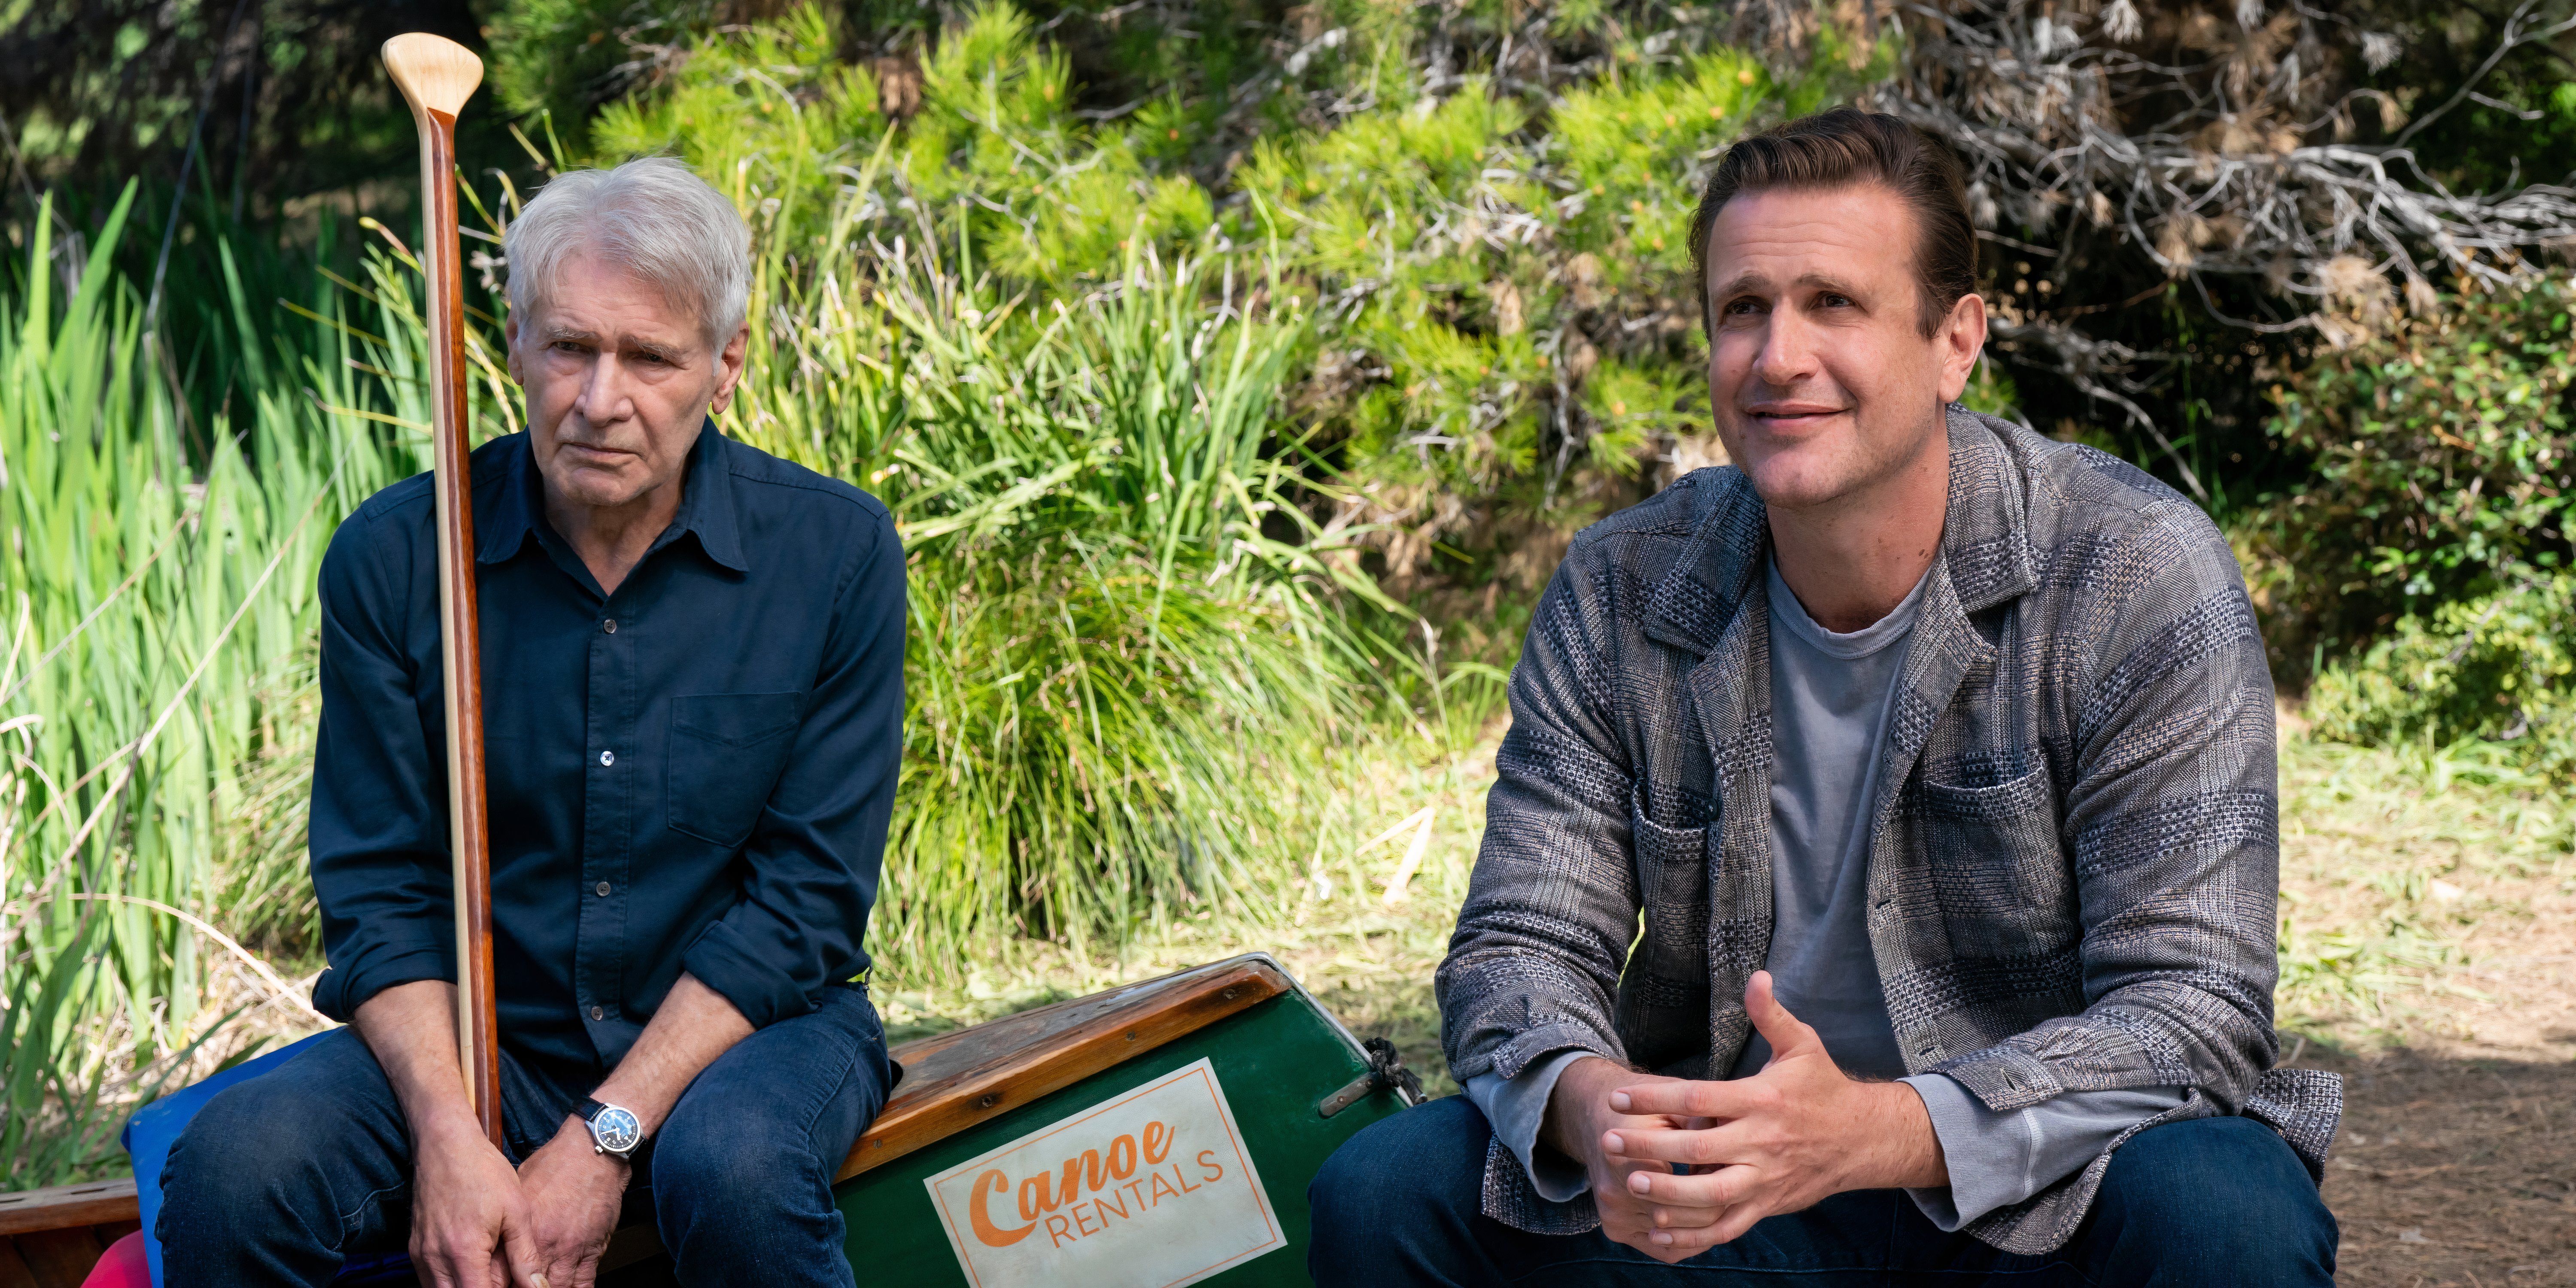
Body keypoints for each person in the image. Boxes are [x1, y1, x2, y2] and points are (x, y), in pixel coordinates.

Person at [1308, 109, 2342, 1285]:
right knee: (1387, 1190)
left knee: (2228, 1217)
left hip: (2040, 1194)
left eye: (1832, 304)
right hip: (1729, 1196)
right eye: (1743, 308)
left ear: (1956, 344)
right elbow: (1519, 945)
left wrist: (1876, 1133)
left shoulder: (2134, 570)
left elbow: (2192, 1008)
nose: (1778, 356)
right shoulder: (1621, 586)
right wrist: (1590, 1107)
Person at [157, 157, 905, 1288]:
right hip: (478, 1046)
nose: (600, 401)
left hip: (749, 1038)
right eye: (569, 347)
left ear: (728, 363)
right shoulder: (400, 559)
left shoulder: (834, 555)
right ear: (513, 344)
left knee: (739, 1169)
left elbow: (803, 908)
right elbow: (380, 897)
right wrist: (452, 1134)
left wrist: (603, 1139)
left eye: (650, 357)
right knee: (234, 1166)